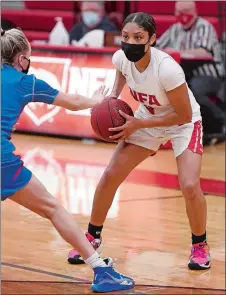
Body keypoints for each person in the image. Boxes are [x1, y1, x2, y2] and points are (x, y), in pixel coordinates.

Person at [68, 12, 211, 271]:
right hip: (147, 117)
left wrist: (139, 125)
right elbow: (122, 76)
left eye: (138, 37)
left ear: (152, 39)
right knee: (110, 175)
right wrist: (109, 99)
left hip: (183, 123)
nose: (130, 42)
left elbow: (184, 114)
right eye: (125, 36)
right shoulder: (120, 58)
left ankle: (199, 245)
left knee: (189, 186)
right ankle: (92, 238)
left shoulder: (167, 69)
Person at [1, 28, 135, 293]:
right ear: (21, 59)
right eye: (29, 57)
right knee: (53, 208)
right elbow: (72, 101)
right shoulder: (24, 82)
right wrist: (97, 100)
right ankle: (101, 269)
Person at [156, 1, 225, 137]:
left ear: (195, 11)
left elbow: (203, 52)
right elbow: (158, 47)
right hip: (183, 73)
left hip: (207, 74)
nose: (182, 15)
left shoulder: (205, 27)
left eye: (186, 11)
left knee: (193, 92)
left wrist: (176, 52)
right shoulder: (175, 29)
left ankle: (220, 122)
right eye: (179, 11)